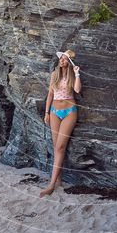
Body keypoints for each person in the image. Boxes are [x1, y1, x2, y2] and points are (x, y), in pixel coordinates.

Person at [40, 49, 81, 197]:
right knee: (57, 147)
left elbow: (77, 90)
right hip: (54, 112)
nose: (61, 61)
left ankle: (51, 184)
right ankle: (58, 181)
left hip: (69, 111)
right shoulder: (54, 74)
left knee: (60, 147)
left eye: (64, 59)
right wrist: (46, 113)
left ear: (69, 62)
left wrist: (77, 73)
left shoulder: (72, 75)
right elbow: (50, 94)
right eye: (61, 59)